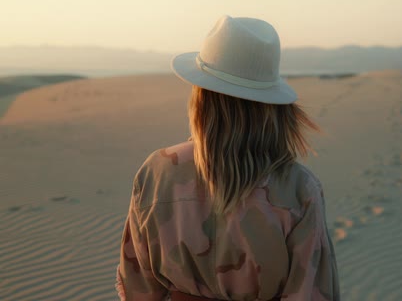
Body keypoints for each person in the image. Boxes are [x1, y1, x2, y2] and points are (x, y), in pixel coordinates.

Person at [115, 15, 340, 301]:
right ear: (270, 106)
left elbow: (137, 290)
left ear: (200, 96)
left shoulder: (156, 173)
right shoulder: (299, 189)